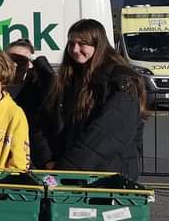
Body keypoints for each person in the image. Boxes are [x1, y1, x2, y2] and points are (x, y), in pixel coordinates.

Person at [39, 18, 146, 180]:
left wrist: (66, 169)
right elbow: (49, 124)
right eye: (71, 43)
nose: (75, 49)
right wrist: (48, 160)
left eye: (83, 43)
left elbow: (106, 135)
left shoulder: (121, 81)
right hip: (78, 172)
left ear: (98, 45)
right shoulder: (70, 79)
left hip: (108, 176)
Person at [6, 38, 56, 167]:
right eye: (10, 59)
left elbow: (52, 81)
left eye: (20, 60)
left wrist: (34, 59)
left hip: (32, 154)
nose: (15, 64)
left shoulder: (37, 88)